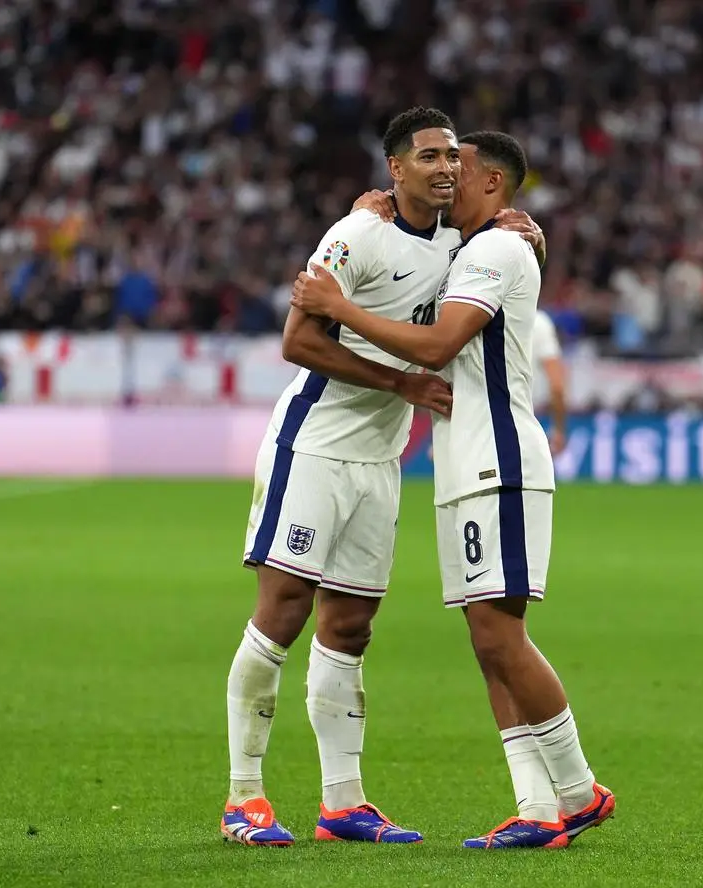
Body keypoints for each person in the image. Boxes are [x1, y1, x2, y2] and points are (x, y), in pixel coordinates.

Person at [222, 108, 545, 847]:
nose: (444, 169)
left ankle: (343, 804)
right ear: (394, 168)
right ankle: (244, 797)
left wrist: (531, 228)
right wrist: (397, 385)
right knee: (283, 611)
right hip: (314, 445)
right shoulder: (357, 232)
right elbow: (298, 339)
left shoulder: (469, 244)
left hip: (380, 460)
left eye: (451, 158)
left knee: (352, 625)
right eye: (427, 156)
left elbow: (504, 249)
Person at [291, 131, 613, 850]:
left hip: (498, 459)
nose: (444, 180)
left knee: (501, 637)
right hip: (466, 466)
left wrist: (336, 307)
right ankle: (537, 810)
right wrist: (370, 212)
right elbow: (411, 250)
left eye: (457, 170)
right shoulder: (478, 246)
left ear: (493, 183)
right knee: (489, 642)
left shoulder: (498, 249)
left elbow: (436, 348)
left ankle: (578, 790)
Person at [532, 310, 568, 454]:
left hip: (484, 414)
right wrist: (559, 428)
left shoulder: (485, 313)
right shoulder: (539, 322)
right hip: (522, 415)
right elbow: (557, 384)